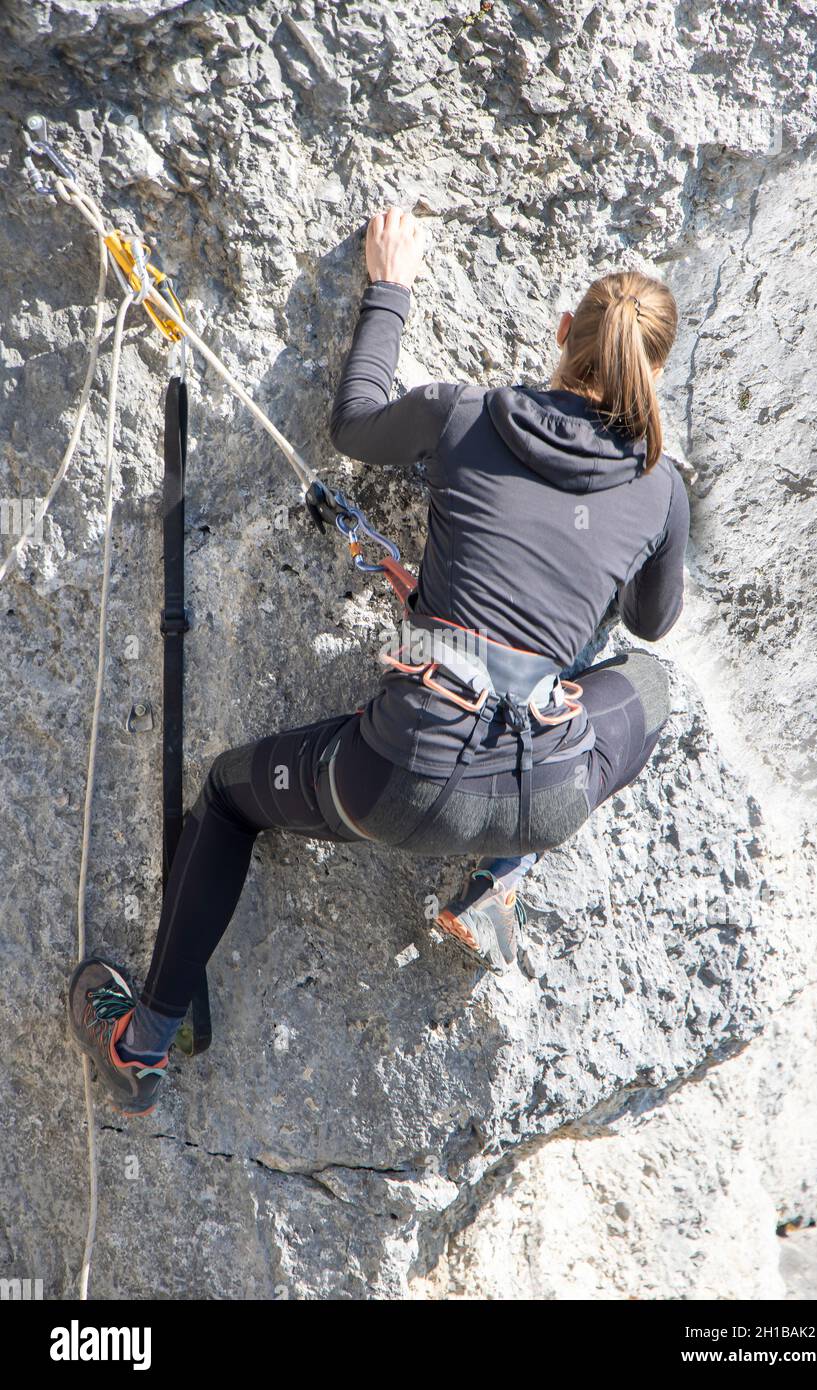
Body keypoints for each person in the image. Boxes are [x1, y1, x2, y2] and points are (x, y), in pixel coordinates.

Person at [68, 207, 689, 1116]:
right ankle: (497, 882)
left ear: (562, 335)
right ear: (654, 370)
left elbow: (355, 423)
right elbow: (653, 620)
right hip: (546, 792)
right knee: (646, 685)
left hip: (401, 778)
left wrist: (389, 287)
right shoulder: (660, 483)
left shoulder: (467, 413)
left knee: (229, 797)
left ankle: (146, 1041)